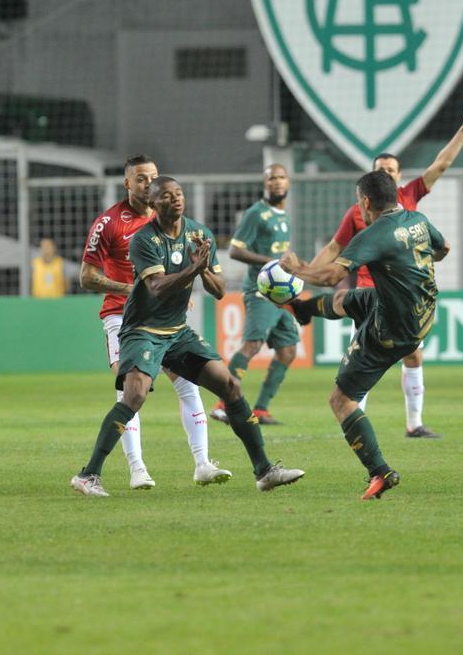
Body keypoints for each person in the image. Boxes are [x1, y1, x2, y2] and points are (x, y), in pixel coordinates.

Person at [71, 176, 305, 497]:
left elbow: (221, 292)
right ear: (154, 206)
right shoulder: (143, 240)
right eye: (166, 197)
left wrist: (204, 267)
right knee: (135, 395)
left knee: (230, 386)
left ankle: (264, 470)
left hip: (177, 332)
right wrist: (194, 268)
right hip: (143, 331)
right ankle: (88, 475)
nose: (175, 200)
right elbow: (157, 289)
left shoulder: (199, 233)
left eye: (178, 194)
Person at [310, 108, 463, 439]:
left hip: (402, 291)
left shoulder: (408, 197)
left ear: (400, 175)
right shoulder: (358, 211)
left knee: (411, 353)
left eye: (392, 170)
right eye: (381, 170)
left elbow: (441, 165)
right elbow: (335, 248)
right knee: (366, 358)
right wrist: (308, 272)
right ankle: (356, 422)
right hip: (368, 292)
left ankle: (413, 423)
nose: (388, 175)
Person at [280, 170, 449, 501]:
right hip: (420, 311)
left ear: (366, 201)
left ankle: (379, 472)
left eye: (359, 200)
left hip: (392, 328)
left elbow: (330, 276)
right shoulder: (417, 219)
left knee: (340, 400)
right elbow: (443, 248)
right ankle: (303, 310)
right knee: (349, 300)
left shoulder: (374, 234)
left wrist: (297, 267)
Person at [80, 155, 230, 488]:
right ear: (127, 184)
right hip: (123, 316)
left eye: (153, 177)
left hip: (166, 320)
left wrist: (176, 286)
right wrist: (134, 289)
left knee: (188, 385)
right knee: (132, 393)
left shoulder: (172, 222)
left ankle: (203, 463)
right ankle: (137, 470)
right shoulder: (110, 223)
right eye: (141, 179)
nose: (149, 184)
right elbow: (86, 277)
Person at [210, 163, 299, 425]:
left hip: (280, 294)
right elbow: (236, 250)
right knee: (251, 346)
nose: (277, 182)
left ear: (288, 182)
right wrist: (272, 262)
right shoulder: (255, 213)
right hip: (261, 291)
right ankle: (222, 404)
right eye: (272, 178)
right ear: (265, 183)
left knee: (288, 351)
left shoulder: (283, 216)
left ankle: (260, 409)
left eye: (282, 177)